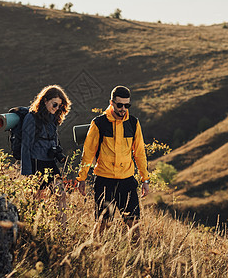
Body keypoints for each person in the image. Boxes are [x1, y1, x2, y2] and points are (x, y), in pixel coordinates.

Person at [76, 85, 149, 233]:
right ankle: (97, 253)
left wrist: (145, 179)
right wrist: (81, 177)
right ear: (111, 103)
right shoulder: (99, 123)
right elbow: (88, 153)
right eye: (120, 105)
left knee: (134, 224)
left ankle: (135, 256)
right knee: (103, 224)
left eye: (127, 105)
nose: (123, 108)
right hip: (104, 181)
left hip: (127, 181)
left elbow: (140, 153)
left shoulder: (134, 123)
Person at [21, 84, 72, 189]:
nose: (57, 108)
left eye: (59, 106)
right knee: (39, 197)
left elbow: (54, 140)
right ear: (45, 101)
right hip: (36, 162)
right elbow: (25, 145)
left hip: (50, 161)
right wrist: (27, 172)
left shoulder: (52, 118)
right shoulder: (31, 118)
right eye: (55, 105)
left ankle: (62, 207)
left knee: (61, 192)